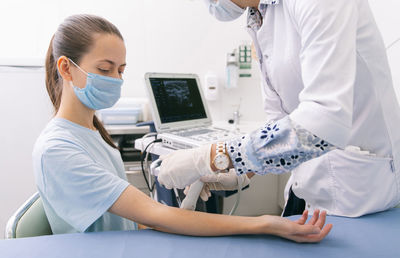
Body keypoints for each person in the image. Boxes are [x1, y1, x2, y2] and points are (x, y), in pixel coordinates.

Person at [32, 14, 332, 242]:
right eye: (104, 69)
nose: (116, 79)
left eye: (121, 70)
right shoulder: (58, 148)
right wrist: (264, 223)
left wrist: (216, 177)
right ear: (66, 68)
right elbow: (152, 215)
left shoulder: (93, 132)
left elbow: (139, 217)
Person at [158, 0, 400, 218]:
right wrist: (239, 169)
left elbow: (324, 121)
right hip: (307, 184)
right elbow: (281, 121)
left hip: (360, 192)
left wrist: (213, 157)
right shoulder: (263, 14)